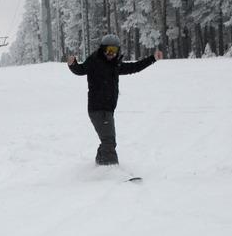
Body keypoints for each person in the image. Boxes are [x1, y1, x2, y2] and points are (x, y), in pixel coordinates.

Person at [68, 34, 163, 166]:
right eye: (108, 50)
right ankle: (110, 168)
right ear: (103, 49)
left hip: (108, 109)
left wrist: (153, 58)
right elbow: (81, 69)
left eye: (114, 50)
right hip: (97, 109)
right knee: (108, 141)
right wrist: (73, 64)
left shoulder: (115, 65)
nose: (111, 53)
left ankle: (100, 164)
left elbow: (134, 67)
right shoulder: (94, 61)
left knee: (109, 140)